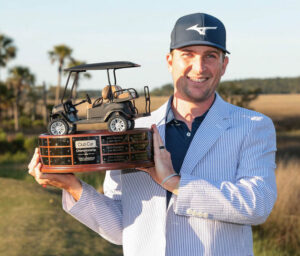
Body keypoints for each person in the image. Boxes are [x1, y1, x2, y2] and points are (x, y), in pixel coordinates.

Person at [28, 13, 277, 256]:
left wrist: (174, 182)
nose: (199, 67)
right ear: (170, 61)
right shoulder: (134, 129)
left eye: (210, 56)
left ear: (224, 64)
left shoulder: (252, 126)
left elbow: (257, 206)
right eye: (187, 54)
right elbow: (120, 227)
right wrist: (72, 186)